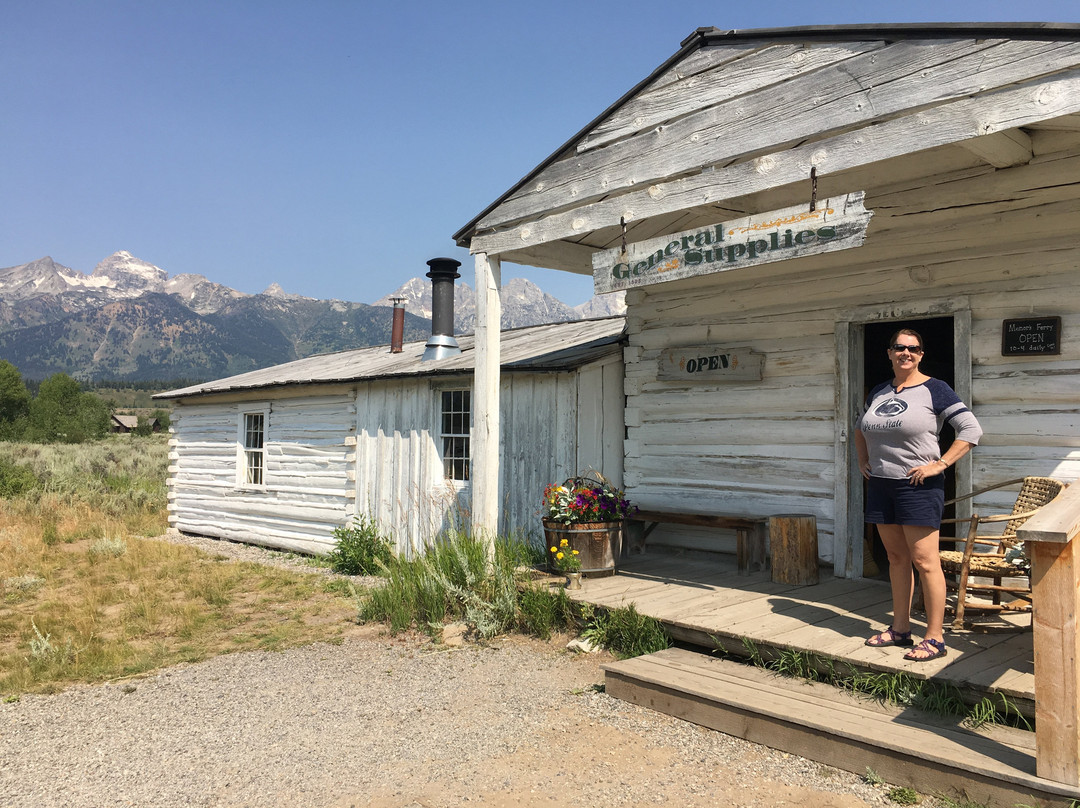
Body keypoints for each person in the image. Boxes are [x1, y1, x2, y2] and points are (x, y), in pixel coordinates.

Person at [855, 329, 982, 662]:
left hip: (918, 486)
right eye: (899, 347)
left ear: (921, 355)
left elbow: (971, 430)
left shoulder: (934, 389)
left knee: (926, 562)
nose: (905, 353)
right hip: (882, 485)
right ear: (890, 353)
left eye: (913, 348)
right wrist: (863, 460)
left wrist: (941, 463)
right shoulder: (880, 392)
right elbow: (860, 427)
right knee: (896, 559)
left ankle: (935, 637)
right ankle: (899, 628)